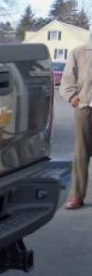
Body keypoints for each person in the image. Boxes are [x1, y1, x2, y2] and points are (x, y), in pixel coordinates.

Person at [60, 38, 92, 209]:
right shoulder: (79, 52)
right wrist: (73, 98)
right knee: (81, 153)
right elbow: (66, 82)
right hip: (86, 109)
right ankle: (77, 196)